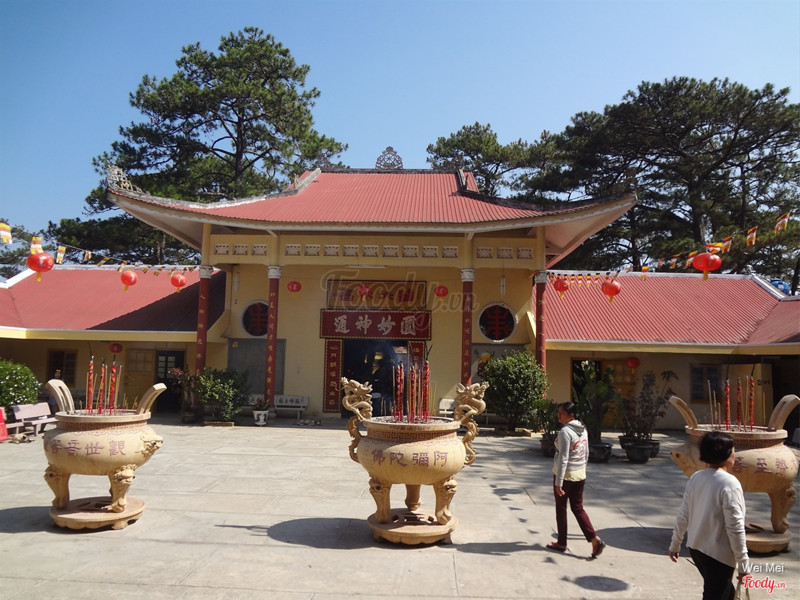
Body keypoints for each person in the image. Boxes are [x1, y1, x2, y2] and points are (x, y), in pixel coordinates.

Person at [669, 430, 749, 600]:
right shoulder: (729, 483)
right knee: (716, 593)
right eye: (733, 449)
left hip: (697, 548)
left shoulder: (696, 477)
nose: (735, 453)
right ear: (726, 454)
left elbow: (683, 514)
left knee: (725, 592)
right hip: (718, 554)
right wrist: (743, 563)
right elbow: (735, 527)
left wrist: (675, 543)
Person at [547, 401, 606, 558]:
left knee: (561, 509)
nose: (559, 416)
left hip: (566, 476)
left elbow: (563, 458)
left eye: (562, 413)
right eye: (558, 412)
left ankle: (561, 543)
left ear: (571, 416)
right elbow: (585, 452)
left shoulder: (565, 432)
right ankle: (594, 539)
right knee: (578, 508)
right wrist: (583, 470)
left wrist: (559, 483)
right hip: (579, 475)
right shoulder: (583, 429)